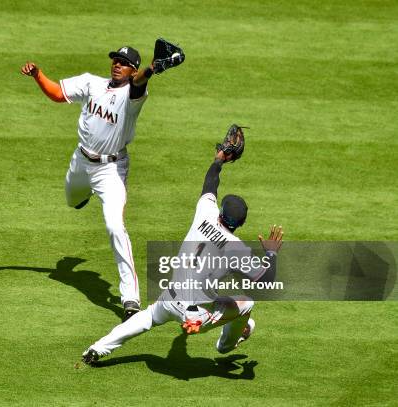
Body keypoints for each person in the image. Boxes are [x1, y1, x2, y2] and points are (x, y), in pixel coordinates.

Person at [81, 145, 284, 364]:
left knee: (147, 316)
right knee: (247, 304)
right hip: (194, 317)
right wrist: (271, 252)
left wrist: (218, 160)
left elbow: (211, 184)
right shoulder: (237, 248)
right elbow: (266, 279)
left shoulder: (205, 213)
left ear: (221, 212)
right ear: (241, 223)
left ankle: (97, 348)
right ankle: (225, 346)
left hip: (169, 298)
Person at [20, 46, 165, 321]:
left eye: (124, 63)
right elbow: (57, 94)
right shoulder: (91, 83)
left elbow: (139, 83)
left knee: (114, 225)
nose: (118, 65)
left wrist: (152, 69)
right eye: (116, 60)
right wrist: (38, 74)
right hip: (81, 161)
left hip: (111, 170)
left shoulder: (133, 94)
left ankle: (130, 298)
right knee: (72, 200)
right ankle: (84, 194)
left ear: (133, 70)